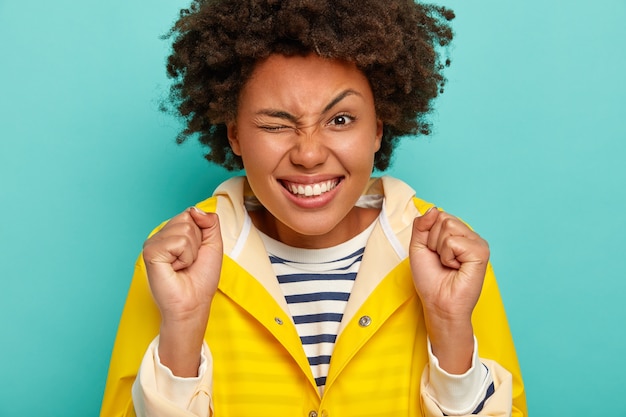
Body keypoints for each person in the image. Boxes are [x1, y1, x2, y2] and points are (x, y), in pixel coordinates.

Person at [101, 0, 527, 416]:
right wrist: (183, 326)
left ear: (377, 130)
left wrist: (451, 327)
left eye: (340, 120)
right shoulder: (174, 258)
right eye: (276, 124)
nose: (308, 154)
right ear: (234, 136)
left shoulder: (450, 253)